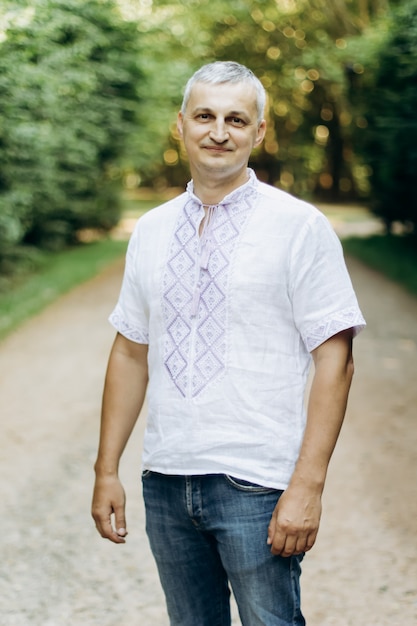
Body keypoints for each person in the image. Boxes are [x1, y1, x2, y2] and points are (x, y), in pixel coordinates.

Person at [92, 61, 365, 626]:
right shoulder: (151, 229)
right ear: (182, 125)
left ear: (259, 131)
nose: (219, 131)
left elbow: (335, 359)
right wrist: (106, 470)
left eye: (236, 119)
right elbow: (130, 351)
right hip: (166, 480)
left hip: (258, 482)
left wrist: (307, 487)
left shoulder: (298, 227)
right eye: (205, 116)